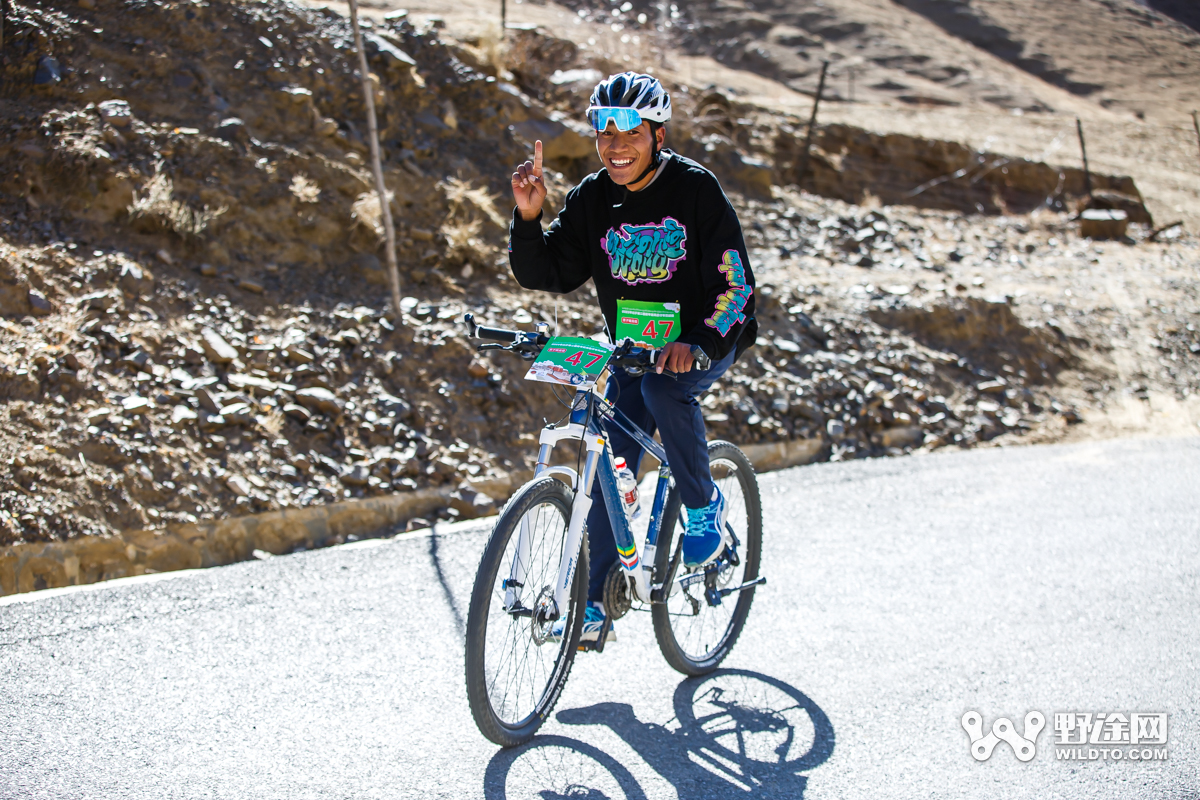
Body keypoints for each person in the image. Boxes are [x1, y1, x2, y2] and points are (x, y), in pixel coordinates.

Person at [508, 72, 757, 645]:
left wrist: (698, 343)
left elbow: (736, 286)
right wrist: (528, 218)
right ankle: (593, 604)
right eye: (604, 132)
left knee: (665, 392)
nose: (615, 146)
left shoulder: (697, 190)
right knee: (608, 459)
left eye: (630, 133)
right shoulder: (594, 197)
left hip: (704, 336)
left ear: (658, 135)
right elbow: (548, 271)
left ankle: (702, 505)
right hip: (631, 349)